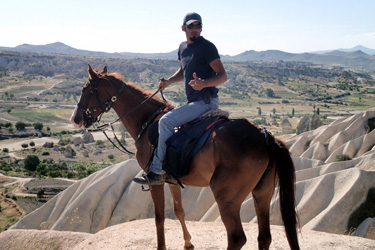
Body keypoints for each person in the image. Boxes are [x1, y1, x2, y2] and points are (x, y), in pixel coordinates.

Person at [133, 12, 227, 185]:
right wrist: (168, 81)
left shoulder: (207, 47)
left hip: (205, 102)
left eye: (198, 26)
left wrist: (203, 84)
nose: (194, 30)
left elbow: (222, 76)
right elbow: (184, 72)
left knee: (165, 122)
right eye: (191, 26)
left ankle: (157, 171)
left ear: (201, 28)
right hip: (193, 102)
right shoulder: (183, 47)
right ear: (183, 28)